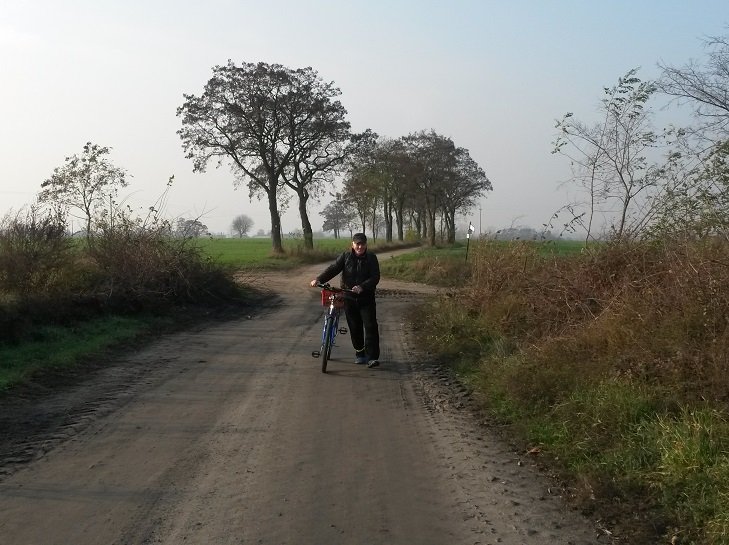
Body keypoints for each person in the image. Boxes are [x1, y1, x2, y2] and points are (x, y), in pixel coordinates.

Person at [310, 233, 381, 368]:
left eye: (362, 244)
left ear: (366, 245)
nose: (360, 247)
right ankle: (360, 353)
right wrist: (319, 279)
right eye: (357, 244)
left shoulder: (371, 258)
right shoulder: (346, 256)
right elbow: (333, 269)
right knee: (355, 327)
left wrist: (362, 287)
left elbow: (375, 277)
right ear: (352, 244)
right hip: (349, 297)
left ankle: (372, 357)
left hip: (366, 298)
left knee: (370, 326)